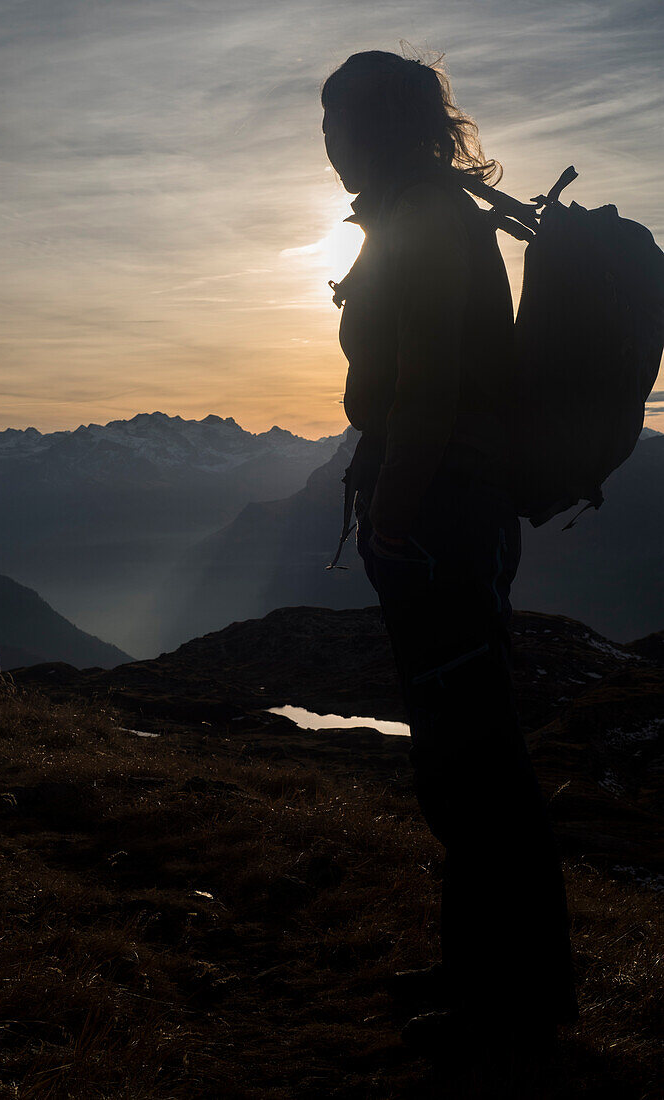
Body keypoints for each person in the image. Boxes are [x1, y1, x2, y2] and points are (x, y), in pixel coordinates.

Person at [321, 50, 578, 1053]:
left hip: (435, 514)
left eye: (340, 122)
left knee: (472, 758)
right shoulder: (427, 212)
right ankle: (485, 973)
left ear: (379, 126)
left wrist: (388, 511)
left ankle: (512, 1001)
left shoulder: (421, 224)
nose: (331, 142)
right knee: (462, 755)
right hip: (452, 509)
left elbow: (424, 386)